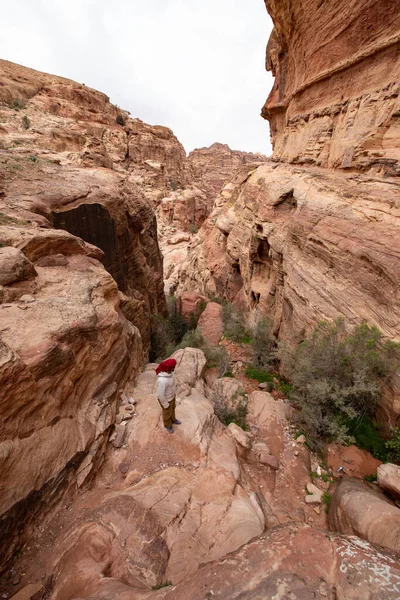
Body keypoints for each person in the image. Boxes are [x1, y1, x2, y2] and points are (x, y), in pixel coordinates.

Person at [156, 358, 181, 434]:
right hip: (166, 399)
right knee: (167, 413)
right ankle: (168, 425)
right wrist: (165, 404)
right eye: (173, 366)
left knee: (172, 409)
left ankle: (173, 420)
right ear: (169, 368)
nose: (174, 368)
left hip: (171, 397)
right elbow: (160, 394)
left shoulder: (171, 375)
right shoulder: (162, 381)